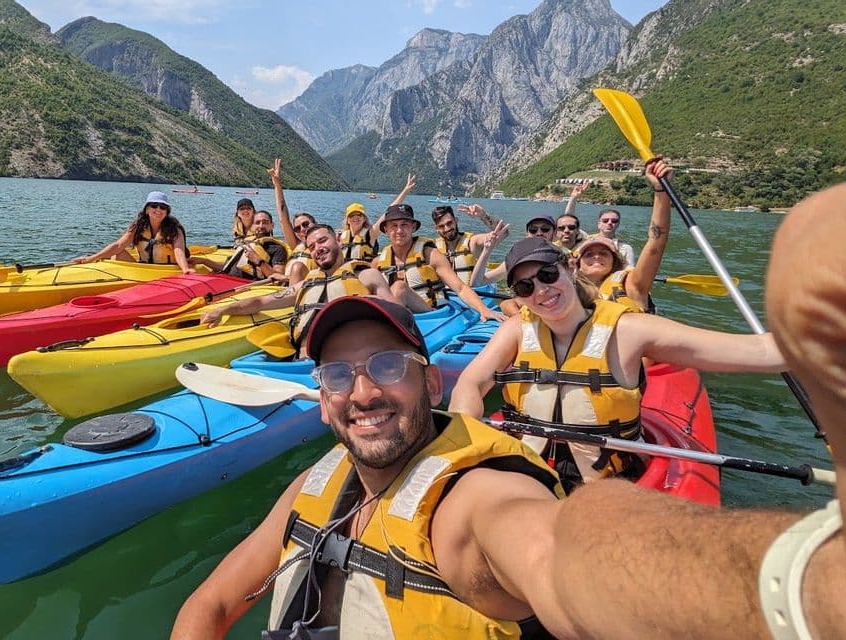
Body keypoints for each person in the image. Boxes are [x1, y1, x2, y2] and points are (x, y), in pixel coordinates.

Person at [173, 263, 846, 638]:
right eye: (337, 375)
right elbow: (207, 608)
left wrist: (801, 585)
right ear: (320, 397)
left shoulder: (476, 503)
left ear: (422, 379)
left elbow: (561, 558)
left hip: (602, 471)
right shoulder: (315, 485)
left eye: (385, 367)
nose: (362, 392)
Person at [447, 235, 784, 489]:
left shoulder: (629, 328)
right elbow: (471, 384)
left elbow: (759, 352)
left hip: (606, 484)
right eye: (524, 286)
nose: (540, 291)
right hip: (527, 475)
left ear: (570, 267)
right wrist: (466, 441)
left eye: (548, 274)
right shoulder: (517, 329)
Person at [199, 225, 417, 353]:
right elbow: (261, 302)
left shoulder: (365, 275)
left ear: (338, 242)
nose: (318, 249)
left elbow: (398, 317)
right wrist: (223, 310)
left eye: (323, 241)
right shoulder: (306, 284)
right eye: (312, 247)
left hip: (343, 363)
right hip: (299, 361)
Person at [372, 204, 505, 322]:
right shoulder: (378, 262)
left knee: (399, 287)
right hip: (400, 311)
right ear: (386, 230)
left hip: (430, 312)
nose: (399, 230)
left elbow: (461, 288)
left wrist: (483, 309)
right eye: (394, 226)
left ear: (413, 227)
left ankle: (389, 331)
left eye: (404, 225)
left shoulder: (431, 253)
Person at [573, 158, 673, 313]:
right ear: (578, 265)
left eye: (604, 253)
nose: (597, 257)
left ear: (615, 262)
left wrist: (661, 190)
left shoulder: (632, 285)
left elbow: (656, 240)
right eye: (589, 254)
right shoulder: (566, 292)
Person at [73, 191, 194, 272]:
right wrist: (92, 258)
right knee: (118, 253)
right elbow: (118, 245)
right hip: (144, 268)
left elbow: (178, 251)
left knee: (191, 261)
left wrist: (185, 269)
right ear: (147, 209)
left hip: (167, 269)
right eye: (154, 205)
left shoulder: (174, 229)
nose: (158, 209)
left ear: (167, 211)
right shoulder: (138, 226)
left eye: (162, 207)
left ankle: (203, 261)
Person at [191, 209, 289, 281]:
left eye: (265, 223)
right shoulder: (247, 243)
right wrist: (204, 261)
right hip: (225, 278)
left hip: (244, 285)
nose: (261, 226)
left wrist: (258, 260)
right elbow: (227, 267)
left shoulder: (277, 249)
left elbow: (278, 277)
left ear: (272, 225)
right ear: (252, 226)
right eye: (257, 223)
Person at [338, 173, 417, 262]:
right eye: (352, 215)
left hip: (364, 273)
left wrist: (405, 191)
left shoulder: (371, 234)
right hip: (344, 273)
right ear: (347, 220)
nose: (356, 218)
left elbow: (388, 212)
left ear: (364, 219)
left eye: (359, 215)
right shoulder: (341, 236)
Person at [431, 203, 510, 286]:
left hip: (474, 294)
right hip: (447, 296)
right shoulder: (434, 248)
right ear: (436, 229)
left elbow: (504, 232)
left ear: (456, 220)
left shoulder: (472, 242)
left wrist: (483, 215)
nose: (447, 228)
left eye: (449, 223)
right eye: (441, 226)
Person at [554, 183, 590, 256]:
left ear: (577, 230)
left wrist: (573, 198)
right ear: (556, 232)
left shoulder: (587, 248)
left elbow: (569, 218)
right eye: (561, 228)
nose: (566, 230)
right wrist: (573, 198)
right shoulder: (551, 249)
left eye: (571, 227)